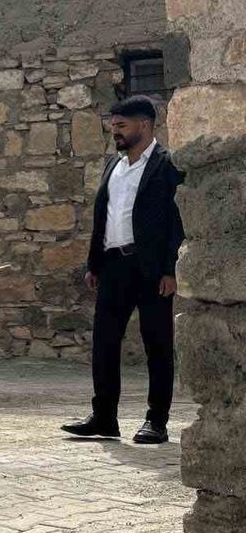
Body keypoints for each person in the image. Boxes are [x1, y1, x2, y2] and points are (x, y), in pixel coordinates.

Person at [62, 95, 184, 445]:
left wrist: (170, 270)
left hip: (151, 269)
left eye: (121, 126)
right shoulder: (112, 165)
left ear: (144, 125)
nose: (114, 131)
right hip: (113, 266)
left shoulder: (166, 164)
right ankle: (104, 417)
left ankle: (156, 421)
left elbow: (176, 221)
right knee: (104, 342)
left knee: (157, 344)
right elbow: (103, 216)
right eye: (113, 125)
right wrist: (94, 263)